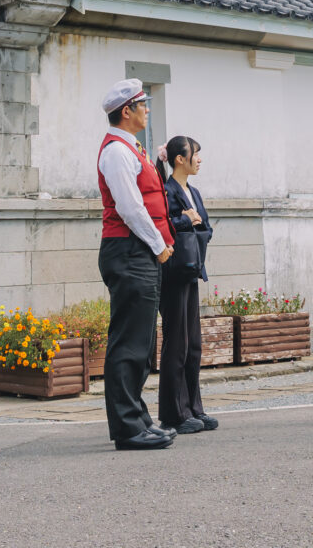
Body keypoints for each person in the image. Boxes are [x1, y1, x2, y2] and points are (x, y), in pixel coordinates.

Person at [96, 78, 175, 451]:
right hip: (128, 250)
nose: (147, 109)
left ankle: (139, 418)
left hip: (135, 251)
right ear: (126, 111)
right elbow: (129, 208)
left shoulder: (132, 148)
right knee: (129, 341)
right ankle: (128, 428)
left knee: (141, 341)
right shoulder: (116, 151)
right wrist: (159, 245)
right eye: (142, 104)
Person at [155, 136, 218, 435]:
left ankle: (194, 409)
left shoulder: (193, 191)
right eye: (196, 154)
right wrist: (184, 220)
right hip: (173, 273)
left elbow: (204, 225)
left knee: (193, 344)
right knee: (176, 343)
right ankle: (172, 414)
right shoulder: (166, 190)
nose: (200, 159)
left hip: (191, 270)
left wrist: (192, 222)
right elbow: (164, 223)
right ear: (180, 159)